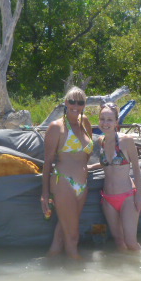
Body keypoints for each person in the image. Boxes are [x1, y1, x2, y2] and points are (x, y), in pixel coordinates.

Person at [41, 87, 94, 259]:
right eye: (72, 101)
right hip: (64, 182)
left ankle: (51, 261)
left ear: (84, 105)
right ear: (65, 102)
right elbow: (48, 162)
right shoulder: (56, 127)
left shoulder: (85, 123)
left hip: (82, 184)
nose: (75, 105)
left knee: (61, 234)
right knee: (73, 236)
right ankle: (78, 275)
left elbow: (86, 156)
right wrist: (45, 194)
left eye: (80, 102)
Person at [90, 102, 141, 251]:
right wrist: (90, 167)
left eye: (109, 119)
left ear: (116, 121)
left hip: (127, 196)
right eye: (102, 119)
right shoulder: (100, 141)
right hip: (108, 198)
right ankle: (124, 272)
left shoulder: (126, 141)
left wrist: (139, 195)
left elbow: (137, 168)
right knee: (119, 242)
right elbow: (107, 164)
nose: (105, 123)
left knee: (131, 243)